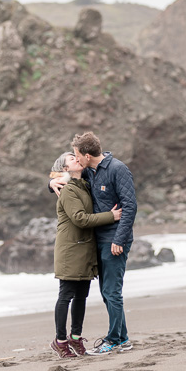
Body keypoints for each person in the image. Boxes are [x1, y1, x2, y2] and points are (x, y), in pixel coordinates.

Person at [52, 132, 137, 355]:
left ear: (87, 155)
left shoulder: (117, 169)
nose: (76, 159)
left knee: (111, 292)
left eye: (77, 155)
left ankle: (115, 339)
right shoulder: (89, 172)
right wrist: (51, 182)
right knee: (108, 292)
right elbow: (64, 179)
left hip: (115, 239)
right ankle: (123, 338)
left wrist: (119, 239)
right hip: (97, 240)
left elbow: (130, 206)